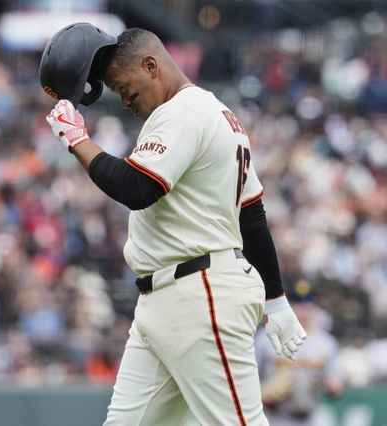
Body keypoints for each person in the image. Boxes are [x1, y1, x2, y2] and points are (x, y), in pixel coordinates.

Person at [39, 23, 308, 425]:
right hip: (165, 299)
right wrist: (276, 298)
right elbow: (250, 216)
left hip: (200, 293)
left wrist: (77, 140)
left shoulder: (183, 112)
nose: (124, 101)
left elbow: (138, 188)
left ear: (151, 66)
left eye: (126, 89)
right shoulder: (216, 113)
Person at [256, 280, 343, 426]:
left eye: (308, 305)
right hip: (273, 416)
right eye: (298, 304)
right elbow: (246, 375)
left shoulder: (326, 342)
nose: (304, 310)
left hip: (309, 417)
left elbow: (335, 383)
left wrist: (332, 386)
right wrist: (261, 395)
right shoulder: (267, 337)